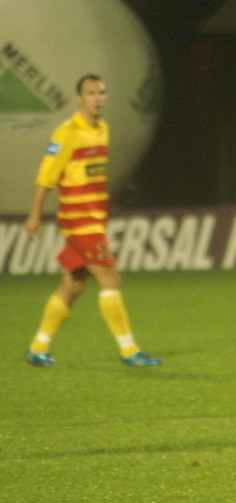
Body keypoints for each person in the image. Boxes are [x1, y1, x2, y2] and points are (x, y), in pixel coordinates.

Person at [24, 74, 160, 368]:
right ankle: (129, 350)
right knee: (110, 278)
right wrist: (35, 215)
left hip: (95, 219)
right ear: (79, 99)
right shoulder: (67, 132)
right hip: (79, 220)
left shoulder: (102, 129)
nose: (98, 98)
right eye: (91, 93)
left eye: (101, 93)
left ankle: (38, 348)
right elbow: (46, 177)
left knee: (73, 284)